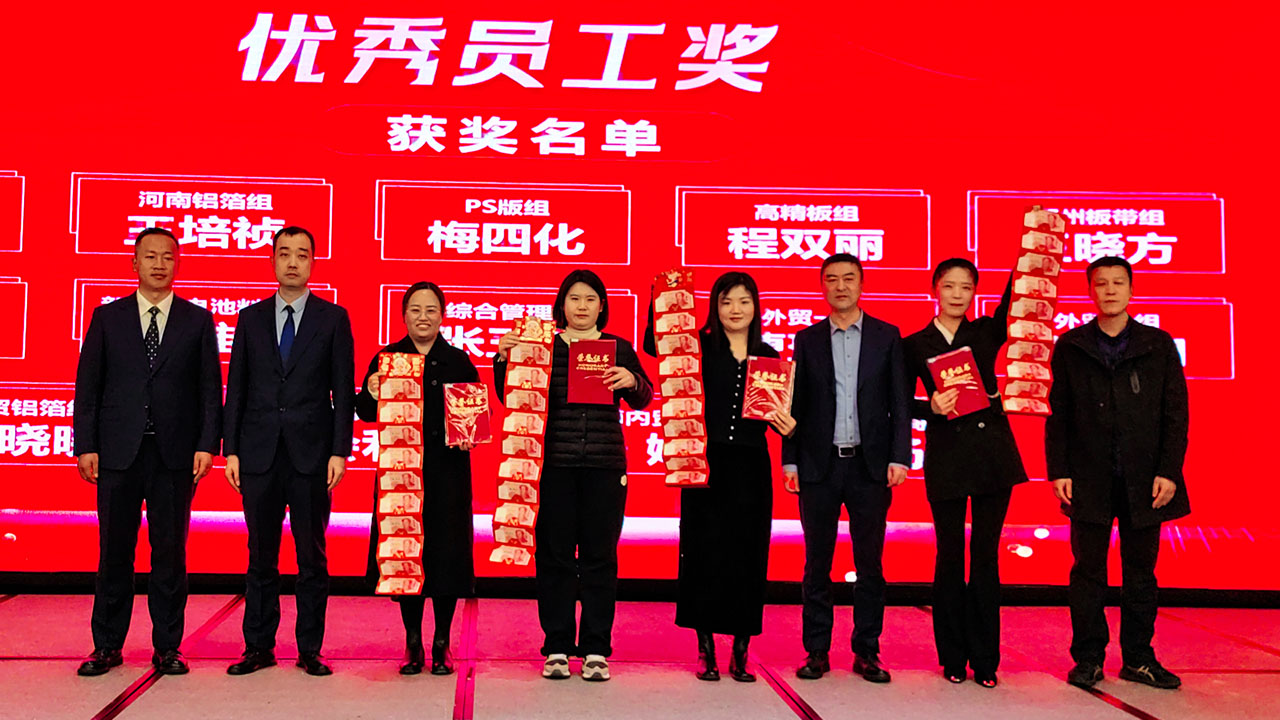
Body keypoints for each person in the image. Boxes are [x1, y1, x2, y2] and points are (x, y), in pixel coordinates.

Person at [72, 227, 221, 676]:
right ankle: (106, 645)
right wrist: (86, 445)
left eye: (168, 257)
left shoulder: (197, 321)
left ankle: (168, 647)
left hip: (174, 455)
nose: (159, 264)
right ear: (134, 263)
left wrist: (206, 444)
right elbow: (88, 387)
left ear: (178, 264)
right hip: (118, 451)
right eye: (150, 256)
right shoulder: (107, 317)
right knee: (114, 551)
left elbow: (209, 390)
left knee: (170, 554)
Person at [494, 269, 652, 682]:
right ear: (561, 305)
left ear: (602, 306)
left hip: (604, 467)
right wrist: (505, 359)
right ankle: (557, 647)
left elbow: (644, 397)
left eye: (590, 299)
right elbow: (510, 396)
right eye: (574, 299)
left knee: (601, 559)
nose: (582, 306)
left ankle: (597, 648)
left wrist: (631, 380)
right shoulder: (541, 346)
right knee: (555, 558)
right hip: (554, 466)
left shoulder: (617, 347)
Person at [643, 271, 796, 682]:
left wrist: (789, 426)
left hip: (751, 466)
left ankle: (741, 649)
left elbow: (783, 415)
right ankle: (706, 648)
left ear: (755, 307)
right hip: (704, 463)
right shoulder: (697, 346)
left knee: (748, 554)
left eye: (744, 301)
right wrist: (661, 295)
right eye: (727, 301)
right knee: (702, 553)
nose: (735, 310)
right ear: (715, 306)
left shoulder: (769, 357)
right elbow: (654, 343)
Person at [1047, 256, 1190, 690]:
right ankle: (1088, 658)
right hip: (1089, 475)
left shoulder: (1157, 344)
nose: (1109, 290)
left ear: (1131, 289)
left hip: (1145, 479)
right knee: (1087, 572)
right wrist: (1059, 469)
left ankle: (1139, 658)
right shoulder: (1072, 345)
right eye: (1101, 283)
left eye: (1118, 283)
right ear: (1090, 290)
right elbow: (1059, 414)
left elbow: (1175, 413)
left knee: (1141, 573)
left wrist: (1169, 470)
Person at [222, 226, 355, 677]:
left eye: (301, 254)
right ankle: (258, 646)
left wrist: (340, 450)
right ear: (273, 261)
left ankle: (309, 649)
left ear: (313, 262)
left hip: (311, 455)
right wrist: (231, 449)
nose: (292, 262)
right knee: (260, 555)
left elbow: (342, 390)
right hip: (258, 453)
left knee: (311, 556)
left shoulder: (332, 319)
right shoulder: (250, 319)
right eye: (284, 253)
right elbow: (236, 387)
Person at [782, 253, 911, 683]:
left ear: (861, 284)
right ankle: (817, 650)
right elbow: (795, 404)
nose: (841, 286)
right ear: (822, 286)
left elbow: (899, 402)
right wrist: (790, 458)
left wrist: (900, 455)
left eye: (849, 278)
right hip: (818, 466)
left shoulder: (886, 336)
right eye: (832, 279)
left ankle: (867, 650)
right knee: (817, 563)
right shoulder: (807, 339)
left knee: (869, 564)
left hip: (869, 467)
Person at [902, 258, 1028, 688]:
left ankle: (986, 659)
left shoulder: (987, 331)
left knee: (986, 557)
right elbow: (898, 401)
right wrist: (930, 407)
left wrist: (1029, 250)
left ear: (975, 292)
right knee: (950, 556)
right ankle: (953, 656)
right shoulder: (915, 344)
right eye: (949, 286)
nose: (957, 294)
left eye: (966, 287)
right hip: (947, 458)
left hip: (993, 456)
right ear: (934, 289)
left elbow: (1016, 298)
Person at [355, 282, 478, 675]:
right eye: (415, 310)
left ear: (442, 315)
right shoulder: (388, 358)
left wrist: (469, 430)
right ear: (404, 315)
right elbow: (365, 412)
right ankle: (412, 641)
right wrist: (372, 389)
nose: (423, 317)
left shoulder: (458, 360)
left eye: (430, 310)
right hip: (401, 474)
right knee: (405, 555)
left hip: (448, 475)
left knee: (446, 556)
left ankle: (442, 641)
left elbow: (475, 422)